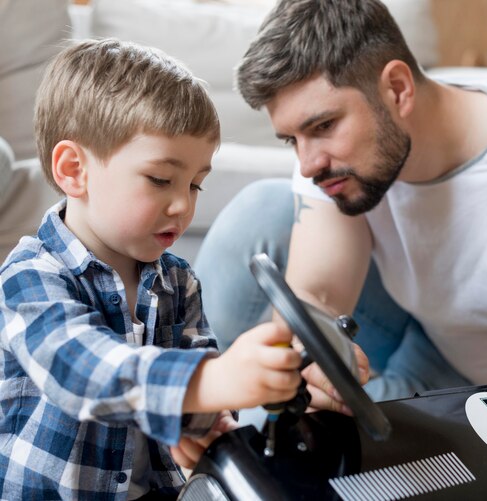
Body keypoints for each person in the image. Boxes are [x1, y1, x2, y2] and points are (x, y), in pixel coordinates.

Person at [194, 0, 487, 406]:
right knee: (261, 213)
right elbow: (318, 292)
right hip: (415, 325)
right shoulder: (331, 154)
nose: (307, 164)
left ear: (397, 89)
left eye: (323, 126)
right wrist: (318, 360)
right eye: (292, 139)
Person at [0, 38, 305, 500]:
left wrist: (227, 401)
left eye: (196, 184)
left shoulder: (178, 281)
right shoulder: (29, 276)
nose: (183, 204)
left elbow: (196, 402)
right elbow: (80, 373)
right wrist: (210, 379)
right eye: (160, 179)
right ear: (73, 169)